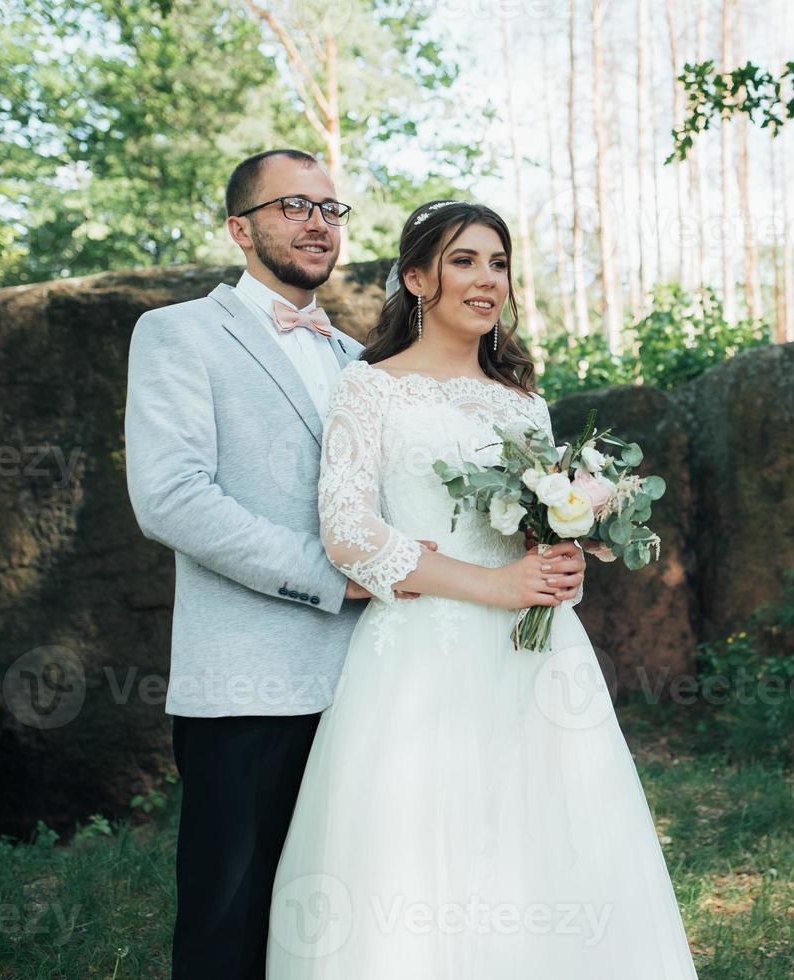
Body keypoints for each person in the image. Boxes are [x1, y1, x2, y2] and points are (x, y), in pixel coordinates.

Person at [123, 150, 588, 979]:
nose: (316, 223)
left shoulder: (357, 360)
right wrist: (337, 574)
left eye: (330, 209)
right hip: (253, 680)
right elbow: (172, 500)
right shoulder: (178, 333)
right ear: (241, 228)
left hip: (385, 682)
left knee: (352, 919)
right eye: (292, 206)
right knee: (230, 923)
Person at [265, 200, 698, 977]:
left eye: (498, 263)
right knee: (423, 850)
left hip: (537, 654)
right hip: (420, 654)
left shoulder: (523, 398)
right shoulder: (371, 388)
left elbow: (538, 527)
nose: (486, 279)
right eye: (464, 261)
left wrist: (571, 549)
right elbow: (349, 535)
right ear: (416, 278)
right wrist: (493, 586)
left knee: (549, 838)